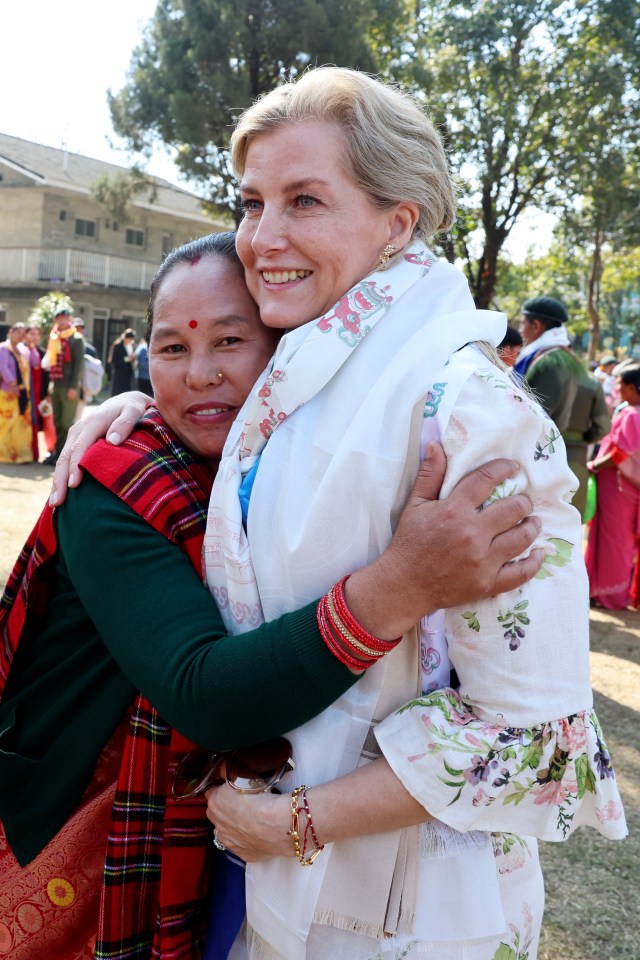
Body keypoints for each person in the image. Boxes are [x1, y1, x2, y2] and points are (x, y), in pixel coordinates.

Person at [53, 69, 626, 960]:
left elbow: (540, 739)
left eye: (304, 201)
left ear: (398, 222)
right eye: (251, 203)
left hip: (420, 914)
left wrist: (298, 823)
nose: (263, 237)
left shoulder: (470, 413)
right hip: (273, 897)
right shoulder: (294, 385)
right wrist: (119, 411)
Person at [0, 233, 542, 960]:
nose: (199, 374)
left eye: (232, 340)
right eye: (169, 350)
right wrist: (401, 585)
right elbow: (206, 694)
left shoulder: (290, 470)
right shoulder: (118, 480)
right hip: (72, 826)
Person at [585, 363, 640, 609]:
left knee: (614, 540)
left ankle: (611, 596)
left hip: (618, 485)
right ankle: (605, 592)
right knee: (617, 539)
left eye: (619, 384)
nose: (616, 388)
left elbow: (620, 453)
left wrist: (594, 466)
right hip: (623, 486)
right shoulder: (632, 412)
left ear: (631, 388)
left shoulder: (631, 414)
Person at [515, 295, 583, 432]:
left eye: (522, 323)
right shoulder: (556, 355)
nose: (520, 330)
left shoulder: (549, 363)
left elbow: (533, 417)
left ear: (536, 326)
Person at [42, 306, 85, 465]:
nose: (62, 320)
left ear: (69, 319)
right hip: (56, 385)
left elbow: (79, 366)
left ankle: (65, 457)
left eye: (65, 317)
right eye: (59, 318)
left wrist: (73, 386)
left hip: (68, 386)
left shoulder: (76, 338)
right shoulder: (55, 338)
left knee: (67, 424)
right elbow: (51, 364)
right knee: (57, 422)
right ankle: (58, 453)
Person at [0, 322, 32, 463]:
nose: (20, 336)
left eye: (23, 334)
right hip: (7, 392)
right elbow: (3, 367)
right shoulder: (3, 348)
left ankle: (18, 454)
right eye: (18, 332)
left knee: (20, 423)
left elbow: (33, 365)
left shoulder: (24, 350)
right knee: (6, 422)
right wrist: (12, 385)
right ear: (10, 332)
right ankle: (4, 453)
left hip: (23, 391)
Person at [108, 327, 136, 396]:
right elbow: (114, 361)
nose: (130, 340)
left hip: (127, 373)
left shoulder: (130, 346)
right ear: (125, 338)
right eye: (129, 339)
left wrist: (133, 359)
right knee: (117, 393)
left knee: (126, 393)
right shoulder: (118, 346)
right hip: (119, 374)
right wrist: (127, 359)